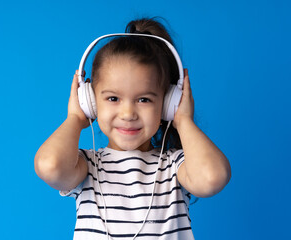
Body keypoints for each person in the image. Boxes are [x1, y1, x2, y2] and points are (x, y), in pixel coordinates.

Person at [34, 17, 231, 240]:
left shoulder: (175, 167)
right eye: (113, 98)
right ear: (90, 100)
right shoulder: (86, 168)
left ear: (168, 103)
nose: (128, 114)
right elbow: (50, 166)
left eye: (144, 100)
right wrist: (75, 118)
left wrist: (184, 120)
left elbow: (212, 177)